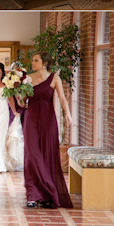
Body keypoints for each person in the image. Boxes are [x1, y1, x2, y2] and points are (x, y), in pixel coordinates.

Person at [22, 52, 74, 209]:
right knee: (31, 155)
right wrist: (20, 99)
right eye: (33, 60)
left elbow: (62, 98)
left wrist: (68, 114)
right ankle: (32, 194)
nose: (32, 63)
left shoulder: (55, 78)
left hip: (48, 121)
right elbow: (23, 100)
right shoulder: (27, 78)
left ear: (44, 63)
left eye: (36, 60)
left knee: (47, 154)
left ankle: (46, 195)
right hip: (31, 119)